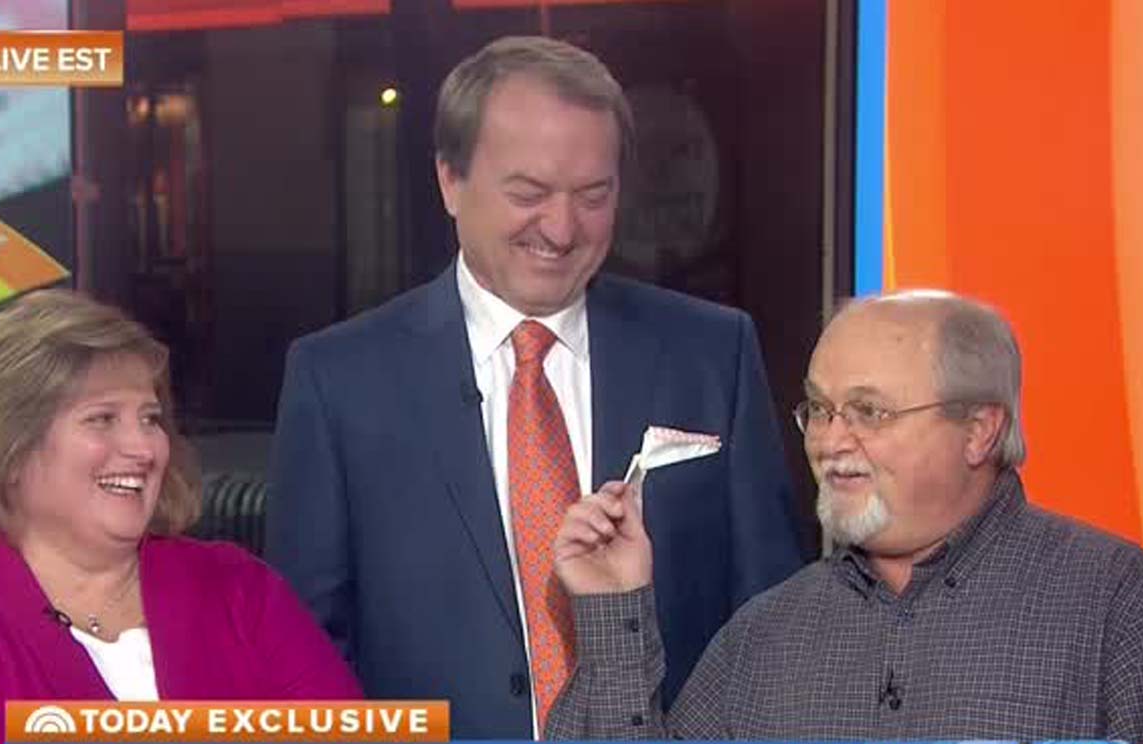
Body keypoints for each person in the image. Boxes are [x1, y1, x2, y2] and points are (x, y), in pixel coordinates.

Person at [266, 35, 806, 739]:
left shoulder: (712, 352)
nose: (560, 228)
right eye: (528, 193)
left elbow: (770, 623)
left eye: (593, 195)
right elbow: (307, 659)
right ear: (449, 181)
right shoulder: (339, 381)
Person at [548, 290, 1143, 741]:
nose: (831, 441)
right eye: (820, 408)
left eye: (869, 412)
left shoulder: (1116, 605)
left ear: (978, 431)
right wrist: (613, 603)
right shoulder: (761, 637)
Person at [0, 290, 361, 744]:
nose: (144, 447)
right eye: (102, 419)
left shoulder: (238, 589)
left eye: (149, 419)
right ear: (9, 450)